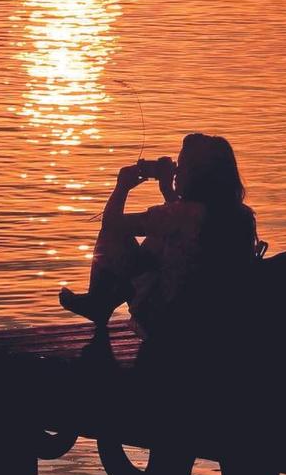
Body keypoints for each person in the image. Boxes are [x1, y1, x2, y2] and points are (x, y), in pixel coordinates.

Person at [60, 132, 262, 341]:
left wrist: (122, 187)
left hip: (169, 324)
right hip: (218, 322)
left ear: (196, 174)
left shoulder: (178, 215)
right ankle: (104, 302)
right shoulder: (242, 216)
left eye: (181, 166)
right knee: (160, 242)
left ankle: (98, 302)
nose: (175, 171)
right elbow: (185, 228)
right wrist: (167, 190)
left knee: (116, 234)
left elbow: (112, 224)